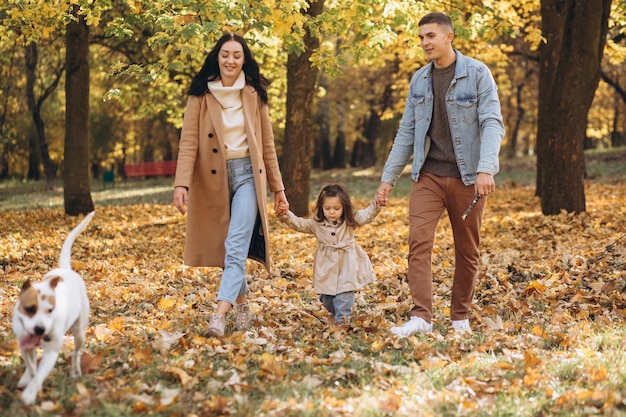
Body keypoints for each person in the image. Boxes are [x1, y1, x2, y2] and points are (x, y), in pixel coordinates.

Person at [375, 11, 505, 337]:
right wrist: (388, 178)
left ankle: (460, 318)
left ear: (449, 37)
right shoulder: (419, 79)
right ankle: (421, 316)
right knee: (418, 243)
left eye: (430, 36)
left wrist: (486, 168)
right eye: (421, 37)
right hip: (428, 175)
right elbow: (406, 131)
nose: (424, 43)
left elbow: (492, 122)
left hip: (467, 177)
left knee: (467, 249)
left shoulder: (477, 73)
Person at [173, 33, 289, 337]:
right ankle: (242, 305)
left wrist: (278, 188)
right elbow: (188, 142)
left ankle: (218, 317)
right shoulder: (200, 94)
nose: (230, 60)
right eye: (225, 54)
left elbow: (267, 144)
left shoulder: (254, 94)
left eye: (237, 55)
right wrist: (181, 184)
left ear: (244, 60)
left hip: (249, 174)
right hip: (213, 180)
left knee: (235, 245)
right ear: (217, 57)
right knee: (228, 248)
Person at [278, 184, 381, 329]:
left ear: (344, 207)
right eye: (327, 208)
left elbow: (366, 215)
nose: (332, 212)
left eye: (336, 208)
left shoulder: (350, 219)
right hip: (326, 264)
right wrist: (286, 215)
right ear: (321, 207)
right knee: (326, 298)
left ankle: (342, 319)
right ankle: (338, 313)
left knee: (345, 292)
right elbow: (300, 224)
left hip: (347, 261)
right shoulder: (317, 223)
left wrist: (376, 206)